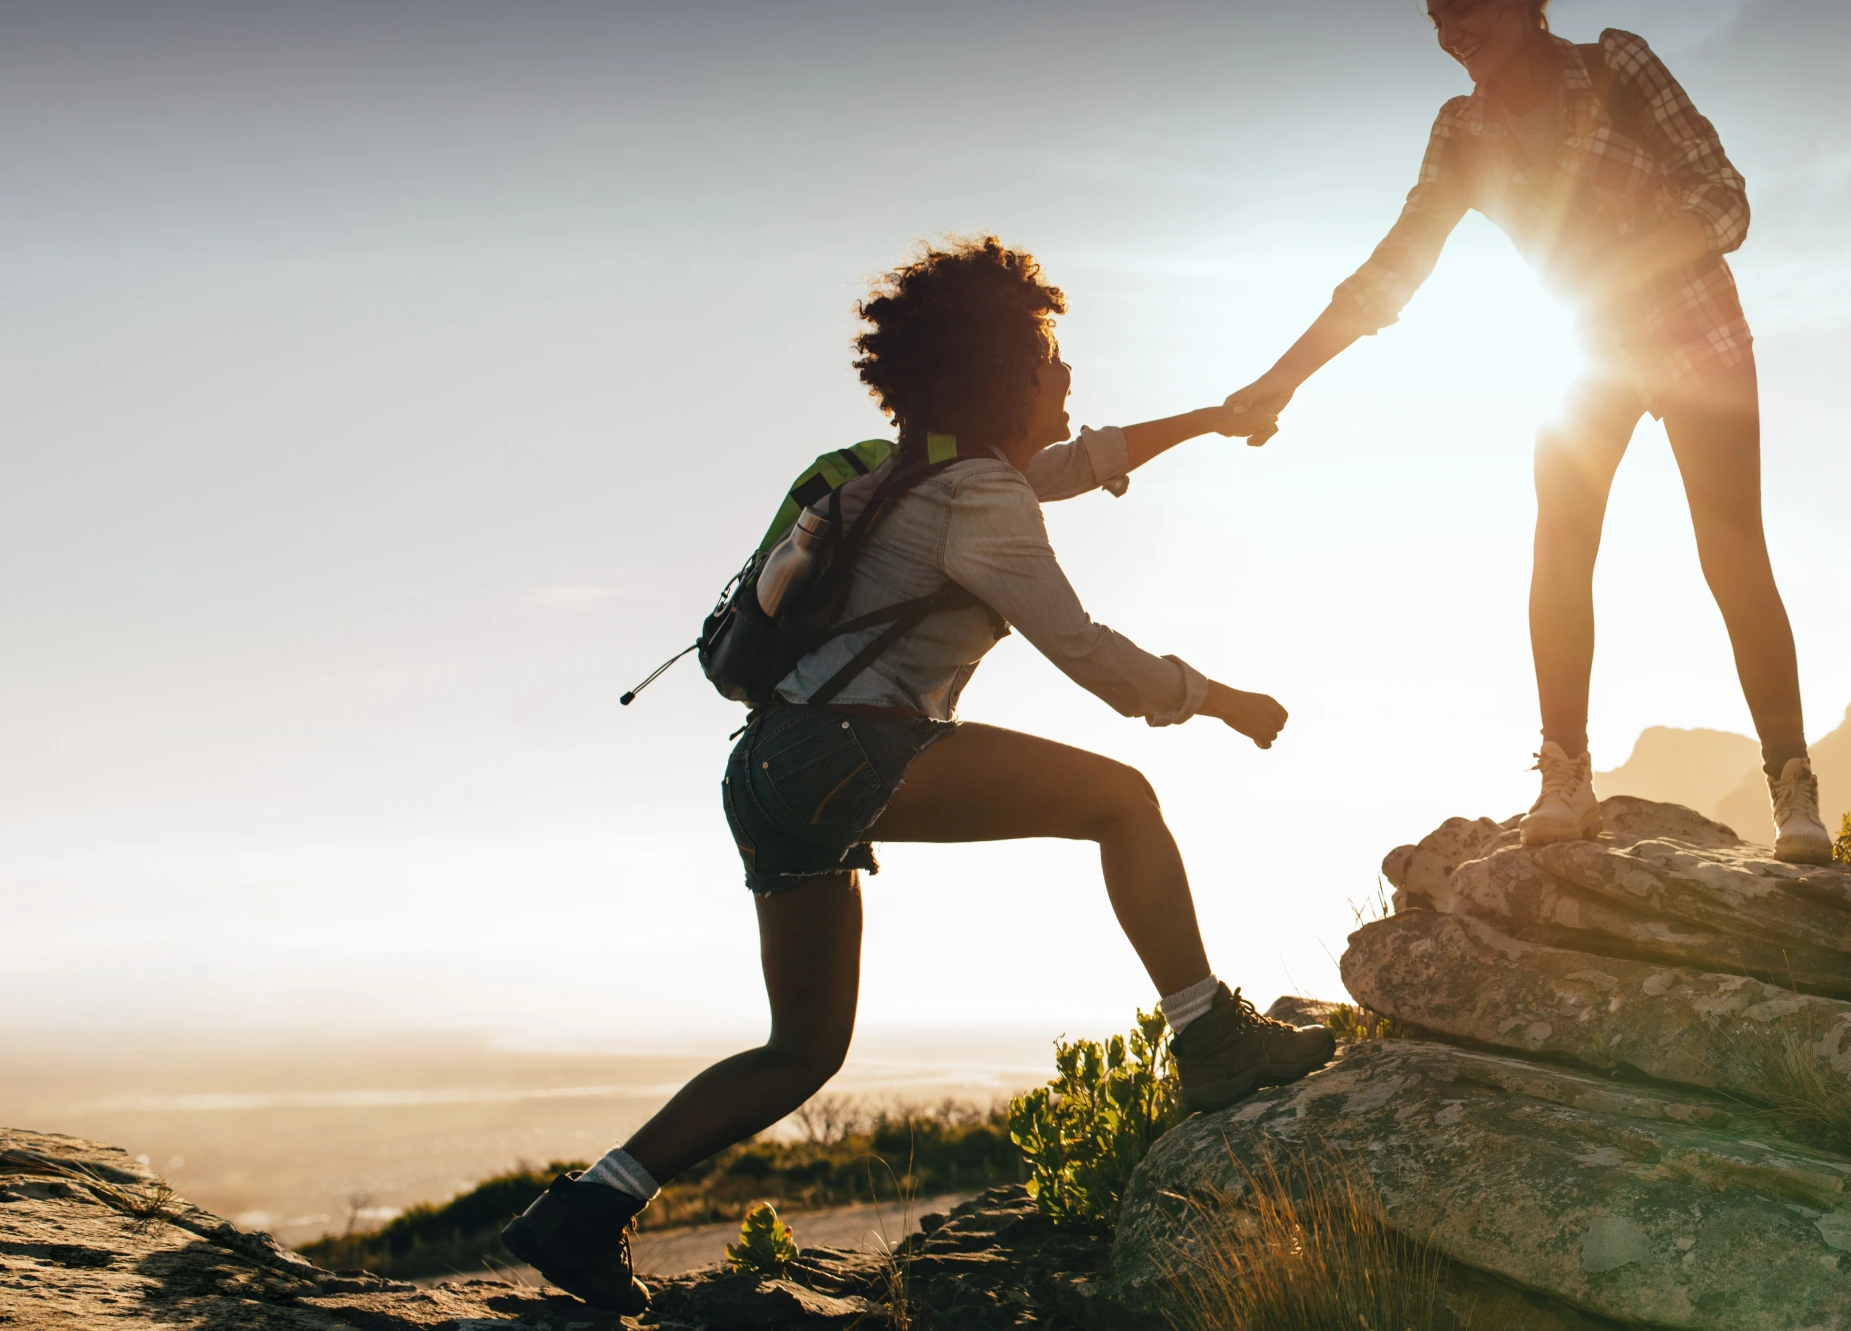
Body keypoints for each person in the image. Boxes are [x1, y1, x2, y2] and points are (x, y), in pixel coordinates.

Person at [501, 238, 1335, 1315]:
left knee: (801, 1048)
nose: (1068, 378)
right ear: (1005, 380)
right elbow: (1086, 653)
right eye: (1050, 360)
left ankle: (584, 1207)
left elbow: (1078, 462)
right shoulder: (979, 495)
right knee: (1120, 799)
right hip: (849, 751)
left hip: (765, 767)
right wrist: (1219, 699)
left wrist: (1215, 418)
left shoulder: (900, 469)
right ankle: (1208, 1034)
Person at [1225, 0, 1829, 862]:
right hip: (1581, 351)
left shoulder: (1617, 63)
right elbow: (1390, 273)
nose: (1448, 33)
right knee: (1559, 546)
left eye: (1462, 7)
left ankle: (1792, 786)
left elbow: (1724, 203)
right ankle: (1565, 771)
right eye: (1434, 18)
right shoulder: (1461, 134)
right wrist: (1283, 379)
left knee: (1729, 552)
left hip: (1690, 336)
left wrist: (1614, 269)